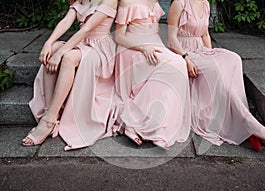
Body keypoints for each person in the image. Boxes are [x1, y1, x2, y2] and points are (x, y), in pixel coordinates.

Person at [168, 0, 265, 151]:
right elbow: (172, 38)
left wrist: (210, 54)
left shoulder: (204, 3)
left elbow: (205, 34)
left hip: (201, 50)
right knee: (214, 70)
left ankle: (246, 125)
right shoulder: (179, 3)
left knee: (233, 59)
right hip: (182, 52)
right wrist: (185, 58)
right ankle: (252, 127)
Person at [22, 0, 118, 150]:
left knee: (68, 58)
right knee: (53, 48)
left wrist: (61, 53)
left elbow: (86, 29)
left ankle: (49, 121)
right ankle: (48, 112)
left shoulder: (109, 1)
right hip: (82, 44)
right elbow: (66, 21)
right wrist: (48, 43)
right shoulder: (82, 0)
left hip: (100, 49)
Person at [113, 0, 191, 149]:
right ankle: (134, 121)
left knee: (179, 64)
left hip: (154, 44)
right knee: (174, 65)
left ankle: (157, 126)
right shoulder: (126, 1)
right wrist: (142, 48)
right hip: (133, 48)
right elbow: (119, 37)